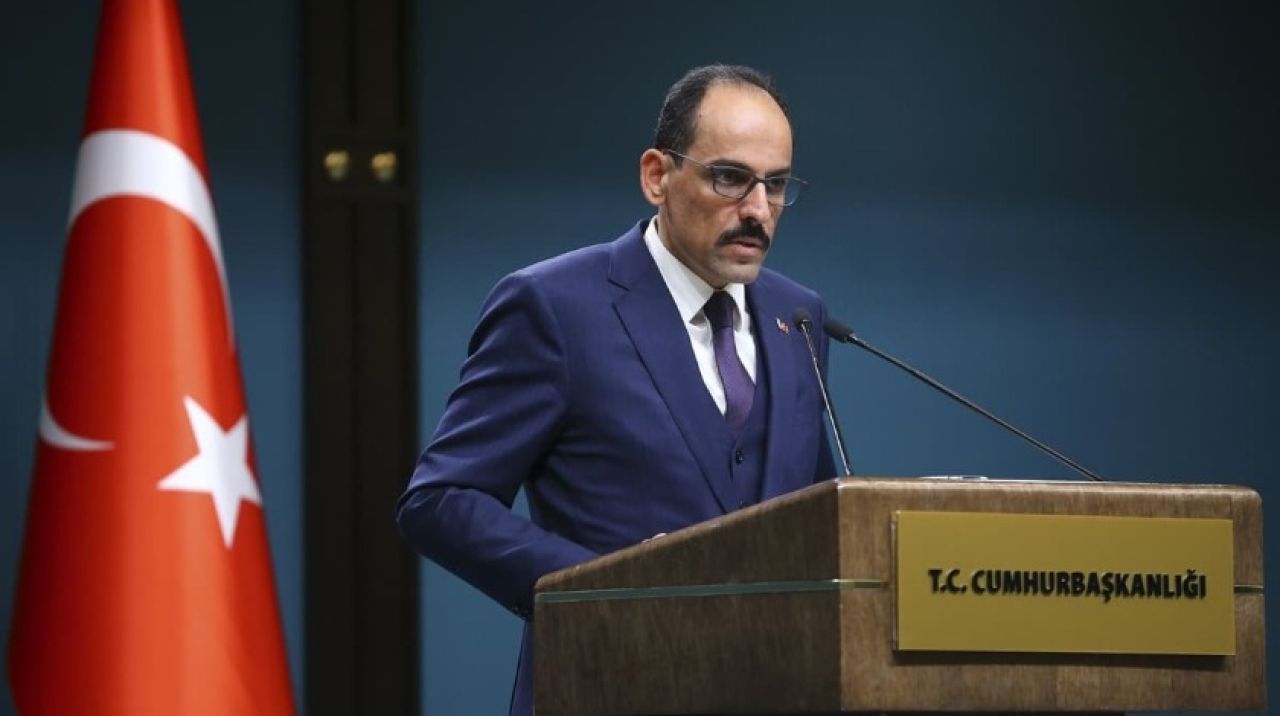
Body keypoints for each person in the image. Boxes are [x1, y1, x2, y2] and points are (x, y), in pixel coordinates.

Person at [397, 64, 836, 716]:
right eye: (729, 178)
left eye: (775, 185)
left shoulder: (798, 315)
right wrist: (603, 587)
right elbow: (439, 501)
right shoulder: (554, 306)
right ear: (657, 176)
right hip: (607, 684)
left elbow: (819, 516)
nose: (756, 210)